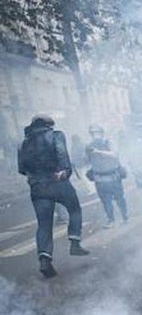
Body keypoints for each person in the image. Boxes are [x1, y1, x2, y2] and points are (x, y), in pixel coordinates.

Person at [17, 114, 90, 277]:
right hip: (57, 181)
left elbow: (21, 169)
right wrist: (65, 171)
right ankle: (75, 242)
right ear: (49, 125)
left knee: (44, 224)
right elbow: (62, 153)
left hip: (37, 186)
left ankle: (44, 259)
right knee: (74, 209)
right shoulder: (56, 135)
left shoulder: (23, 143)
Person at [84, 124, 129, 227]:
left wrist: (98, 152)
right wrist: (87, 154)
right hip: (99, 178)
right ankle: (111, 220)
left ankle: (125, 216)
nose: (95, 135)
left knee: (119, 198)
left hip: (113, 175)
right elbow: (86, 161)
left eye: (97, 133)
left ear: (102, 133)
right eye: (93, 133)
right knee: (106, 201)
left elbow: (115, 155)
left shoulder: (109, 142)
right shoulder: (89, 146)